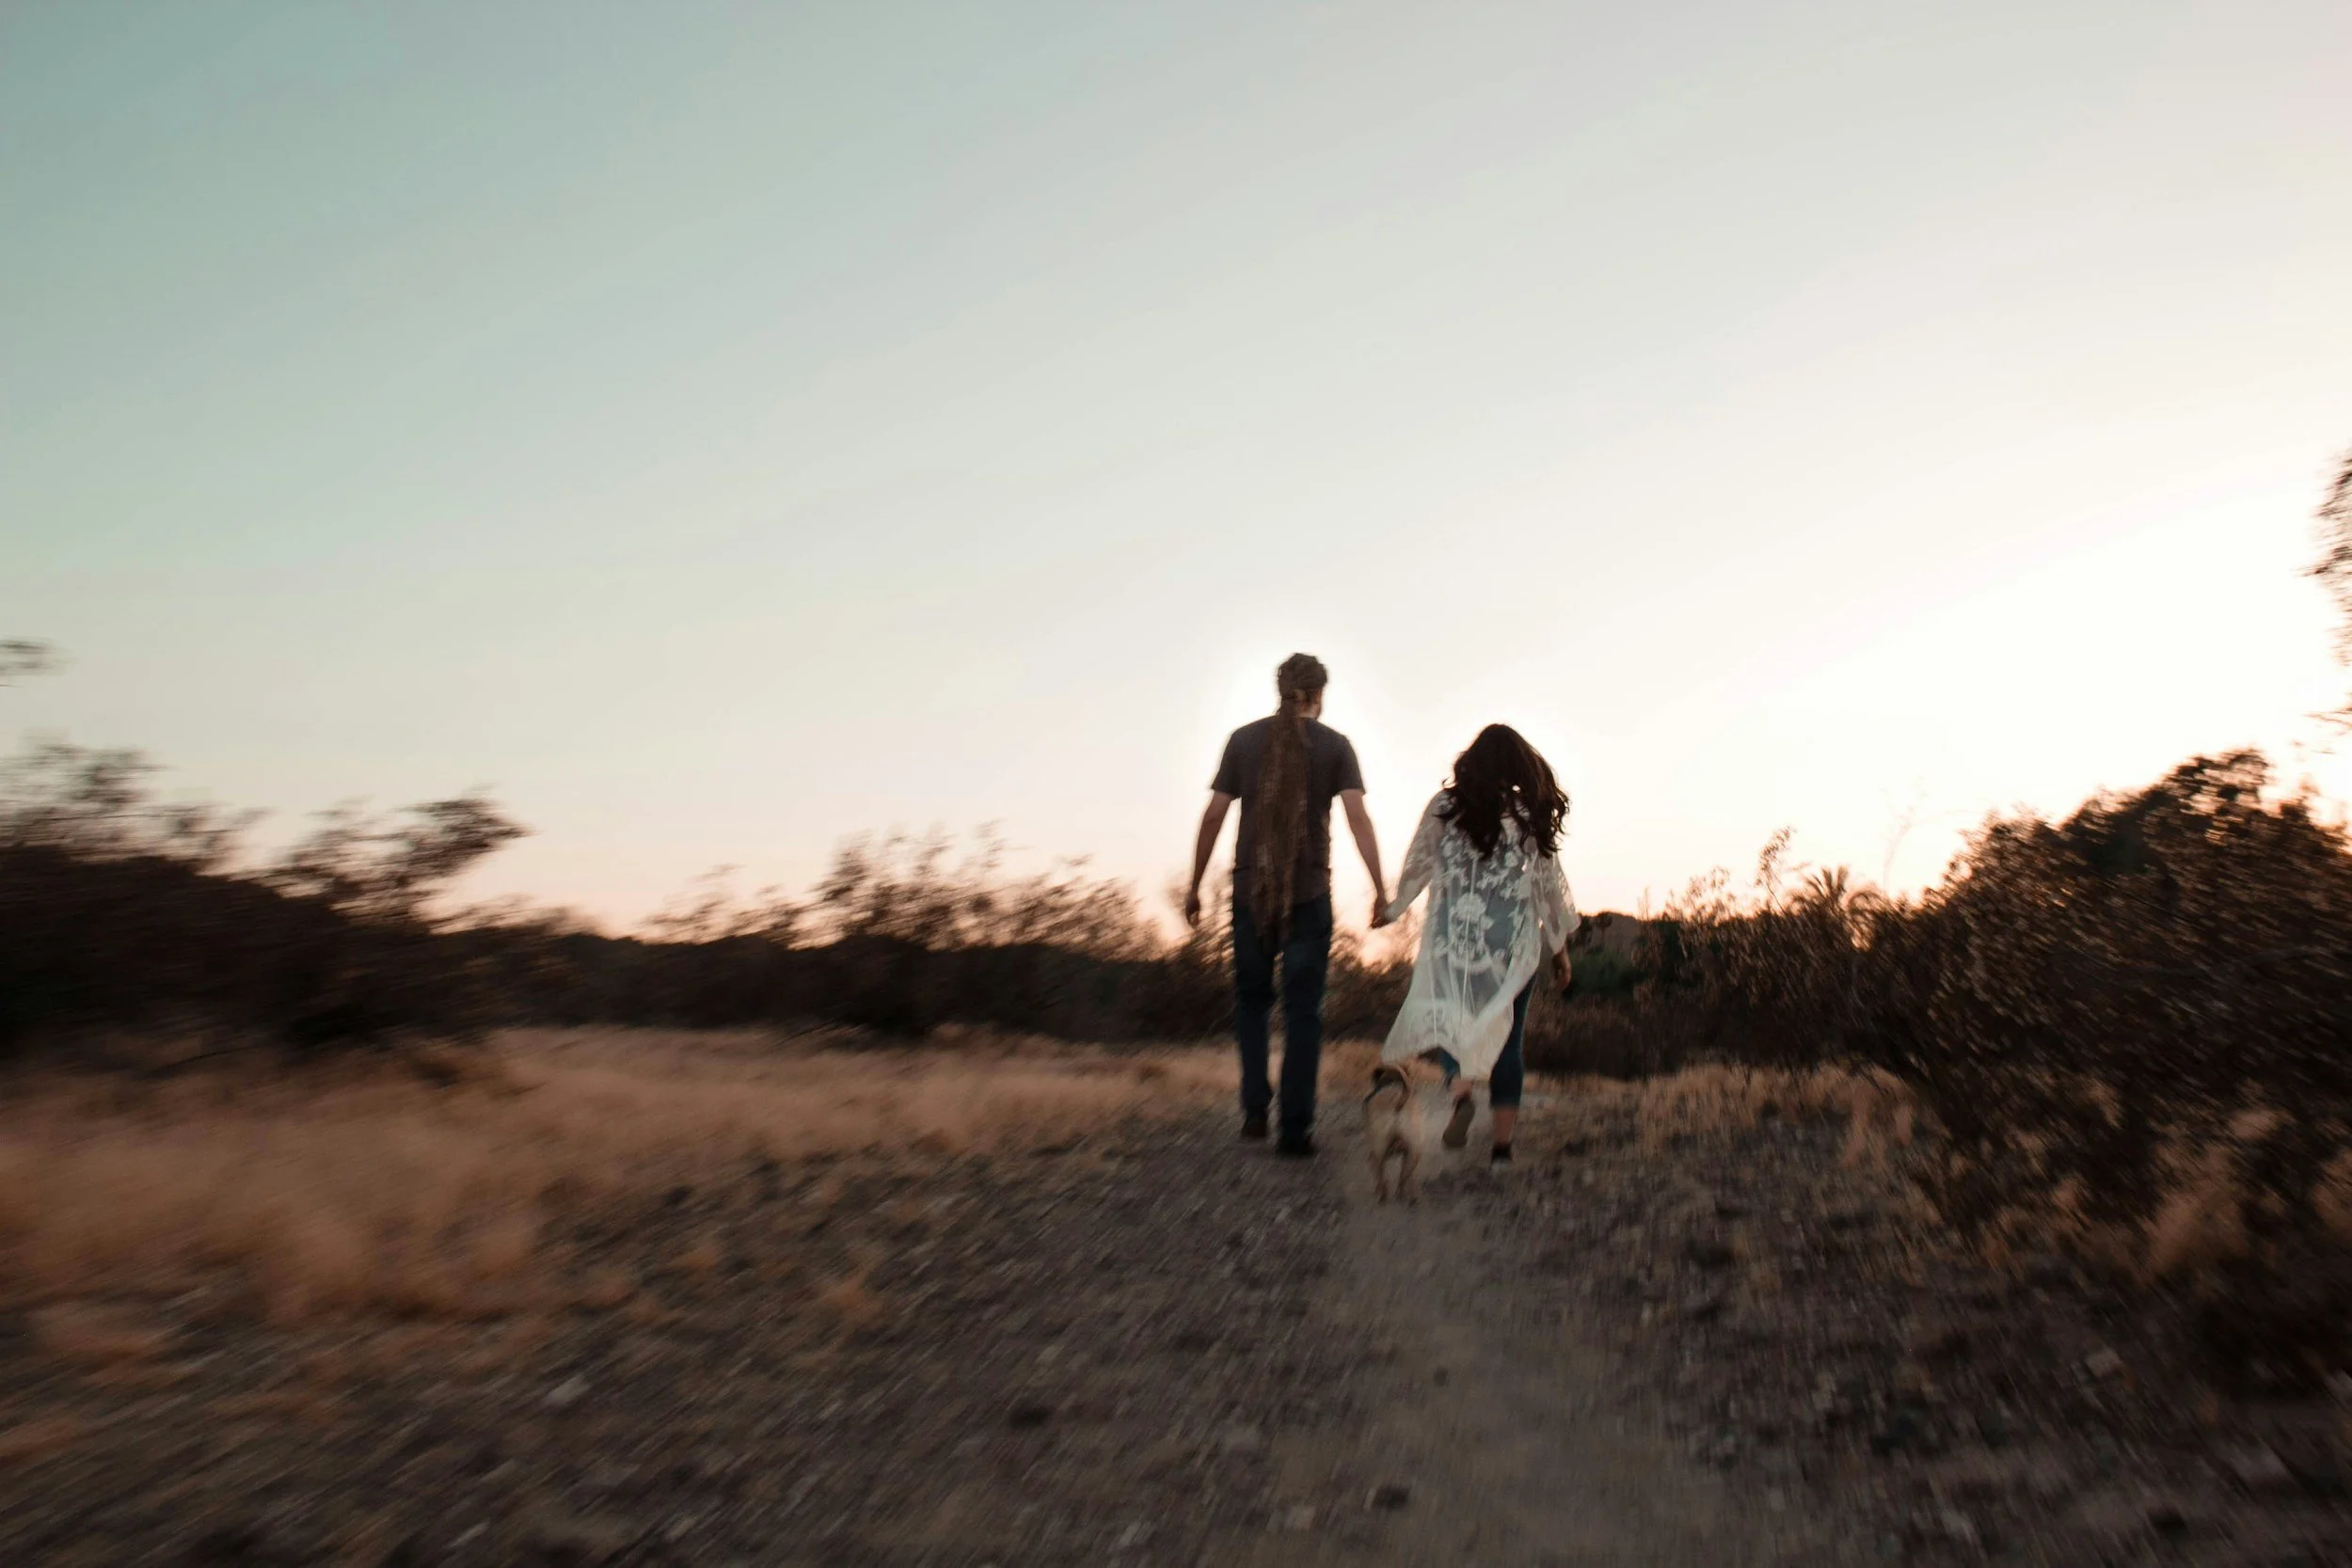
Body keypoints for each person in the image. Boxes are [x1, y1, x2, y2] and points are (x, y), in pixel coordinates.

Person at [1185, 654, 1387, 1157]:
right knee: (1303, 1013)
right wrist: (1382, 889)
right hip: (1309, 896)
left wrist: (1193, 886)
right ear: (1319, 694)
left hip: (1251, 893)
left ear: (1279, 690)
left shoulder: (1243, 741)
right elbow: (1359, 818)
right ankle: (1294, 1131)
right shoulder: (1336, 746)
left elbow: (1213, 816)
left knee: (1252, 1005)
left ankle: (1256, 1112)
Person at [1372, 724, 1577, 1167]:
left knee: (1451, 1022)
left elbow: (1418, 865)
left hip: (1454, 942)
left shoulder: (1445, 807)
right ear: (1519, 766)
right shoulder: (1527, 816)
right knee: (1509, 1040)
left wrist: (1390, 909)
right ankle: (1502, 1148)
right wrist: (1559, 952)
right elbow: (1548, 892)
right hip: (1510, 947)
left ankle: (1461, 1092)